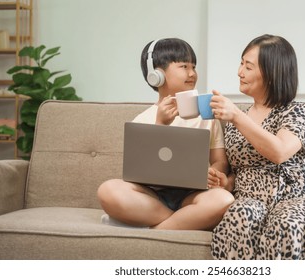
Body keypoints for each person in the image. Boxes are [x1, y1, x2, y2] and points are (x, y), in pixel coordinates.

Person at [97, 38, 234, 230]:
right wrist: (161, 125)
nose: (192, 73)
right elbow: (140, 170)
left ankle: (154, 229)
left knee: (223, 199)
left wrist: (216, 173)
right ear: (157, 75)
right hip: (154, 196)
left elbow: (220, 160)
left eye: (194, 66)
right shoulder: (142, 120)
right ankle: (181, 221)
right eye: (183, 66)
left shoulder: (206, 114)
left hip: (193, 195)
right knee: (108, 190)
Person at [209, 34, 305, 259]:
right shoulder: (237, 117)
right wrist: (226, 182)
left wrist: (236, 118)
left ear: (272, 74)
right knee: (241, 213)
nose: (240, 72)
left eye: (248, 66)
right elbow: (239, 171)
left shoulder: (295, 112)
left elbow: (279, 152)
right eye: (241, 63)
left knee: (286, 223)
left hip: (294, 199)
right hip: (248, 199)